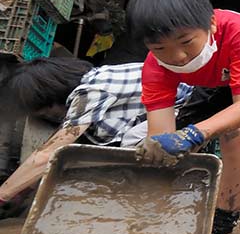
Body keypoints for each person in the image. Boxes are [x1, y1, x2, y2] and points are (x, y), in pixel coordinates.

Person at [127, 0, 240, 234]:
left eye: (186, 42)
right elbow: (162, 137)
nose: (178, 56)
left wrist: (195, 134)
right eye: (160, 48)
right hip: (213, 79)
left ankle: (223, 223)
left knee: (239, 133)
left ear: (211, 25)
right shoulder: (155, 68)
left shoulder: (238, 31)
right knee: (171, 145)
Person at [0, 58, 193, 211]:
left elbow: (48, 155)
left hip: (188, 110)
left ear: (50, 96)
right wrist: (23, 188)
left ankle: (149, 202)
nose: (48, 117)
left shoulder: (90, 92)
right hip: (173, 110)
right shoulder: (94, 80)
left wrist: (4, 194)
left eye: (43, 112)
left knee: (132, 151)